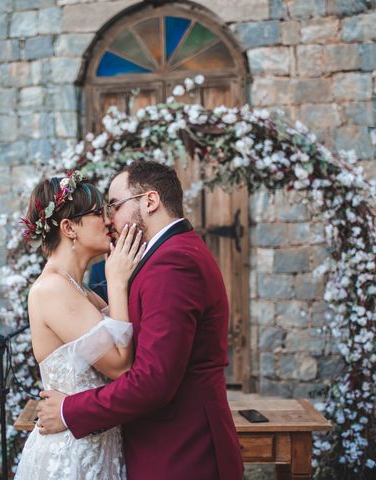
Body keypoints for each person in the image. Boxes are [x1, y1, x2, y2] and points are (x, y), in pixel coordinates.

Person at [37, 161, 244, 480]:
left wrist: (69, 410)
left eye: (115, 206)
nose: (109, 220)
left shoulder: (173, 263)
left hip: (183, 451)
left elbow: (152, 381)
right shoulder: (166, 256)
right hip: (157, 447)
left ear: (150, 201)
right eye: (102, 211)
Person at [14, 171, 145, 479]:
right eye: (99, 213)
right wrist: (115, 280)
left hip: (99, 446)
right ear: (69, 227)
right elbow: (120, 365)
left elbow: (124, 326)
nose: (110, 220)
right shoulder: (52, 290)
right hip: (72, 455)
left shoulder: (78, 288)